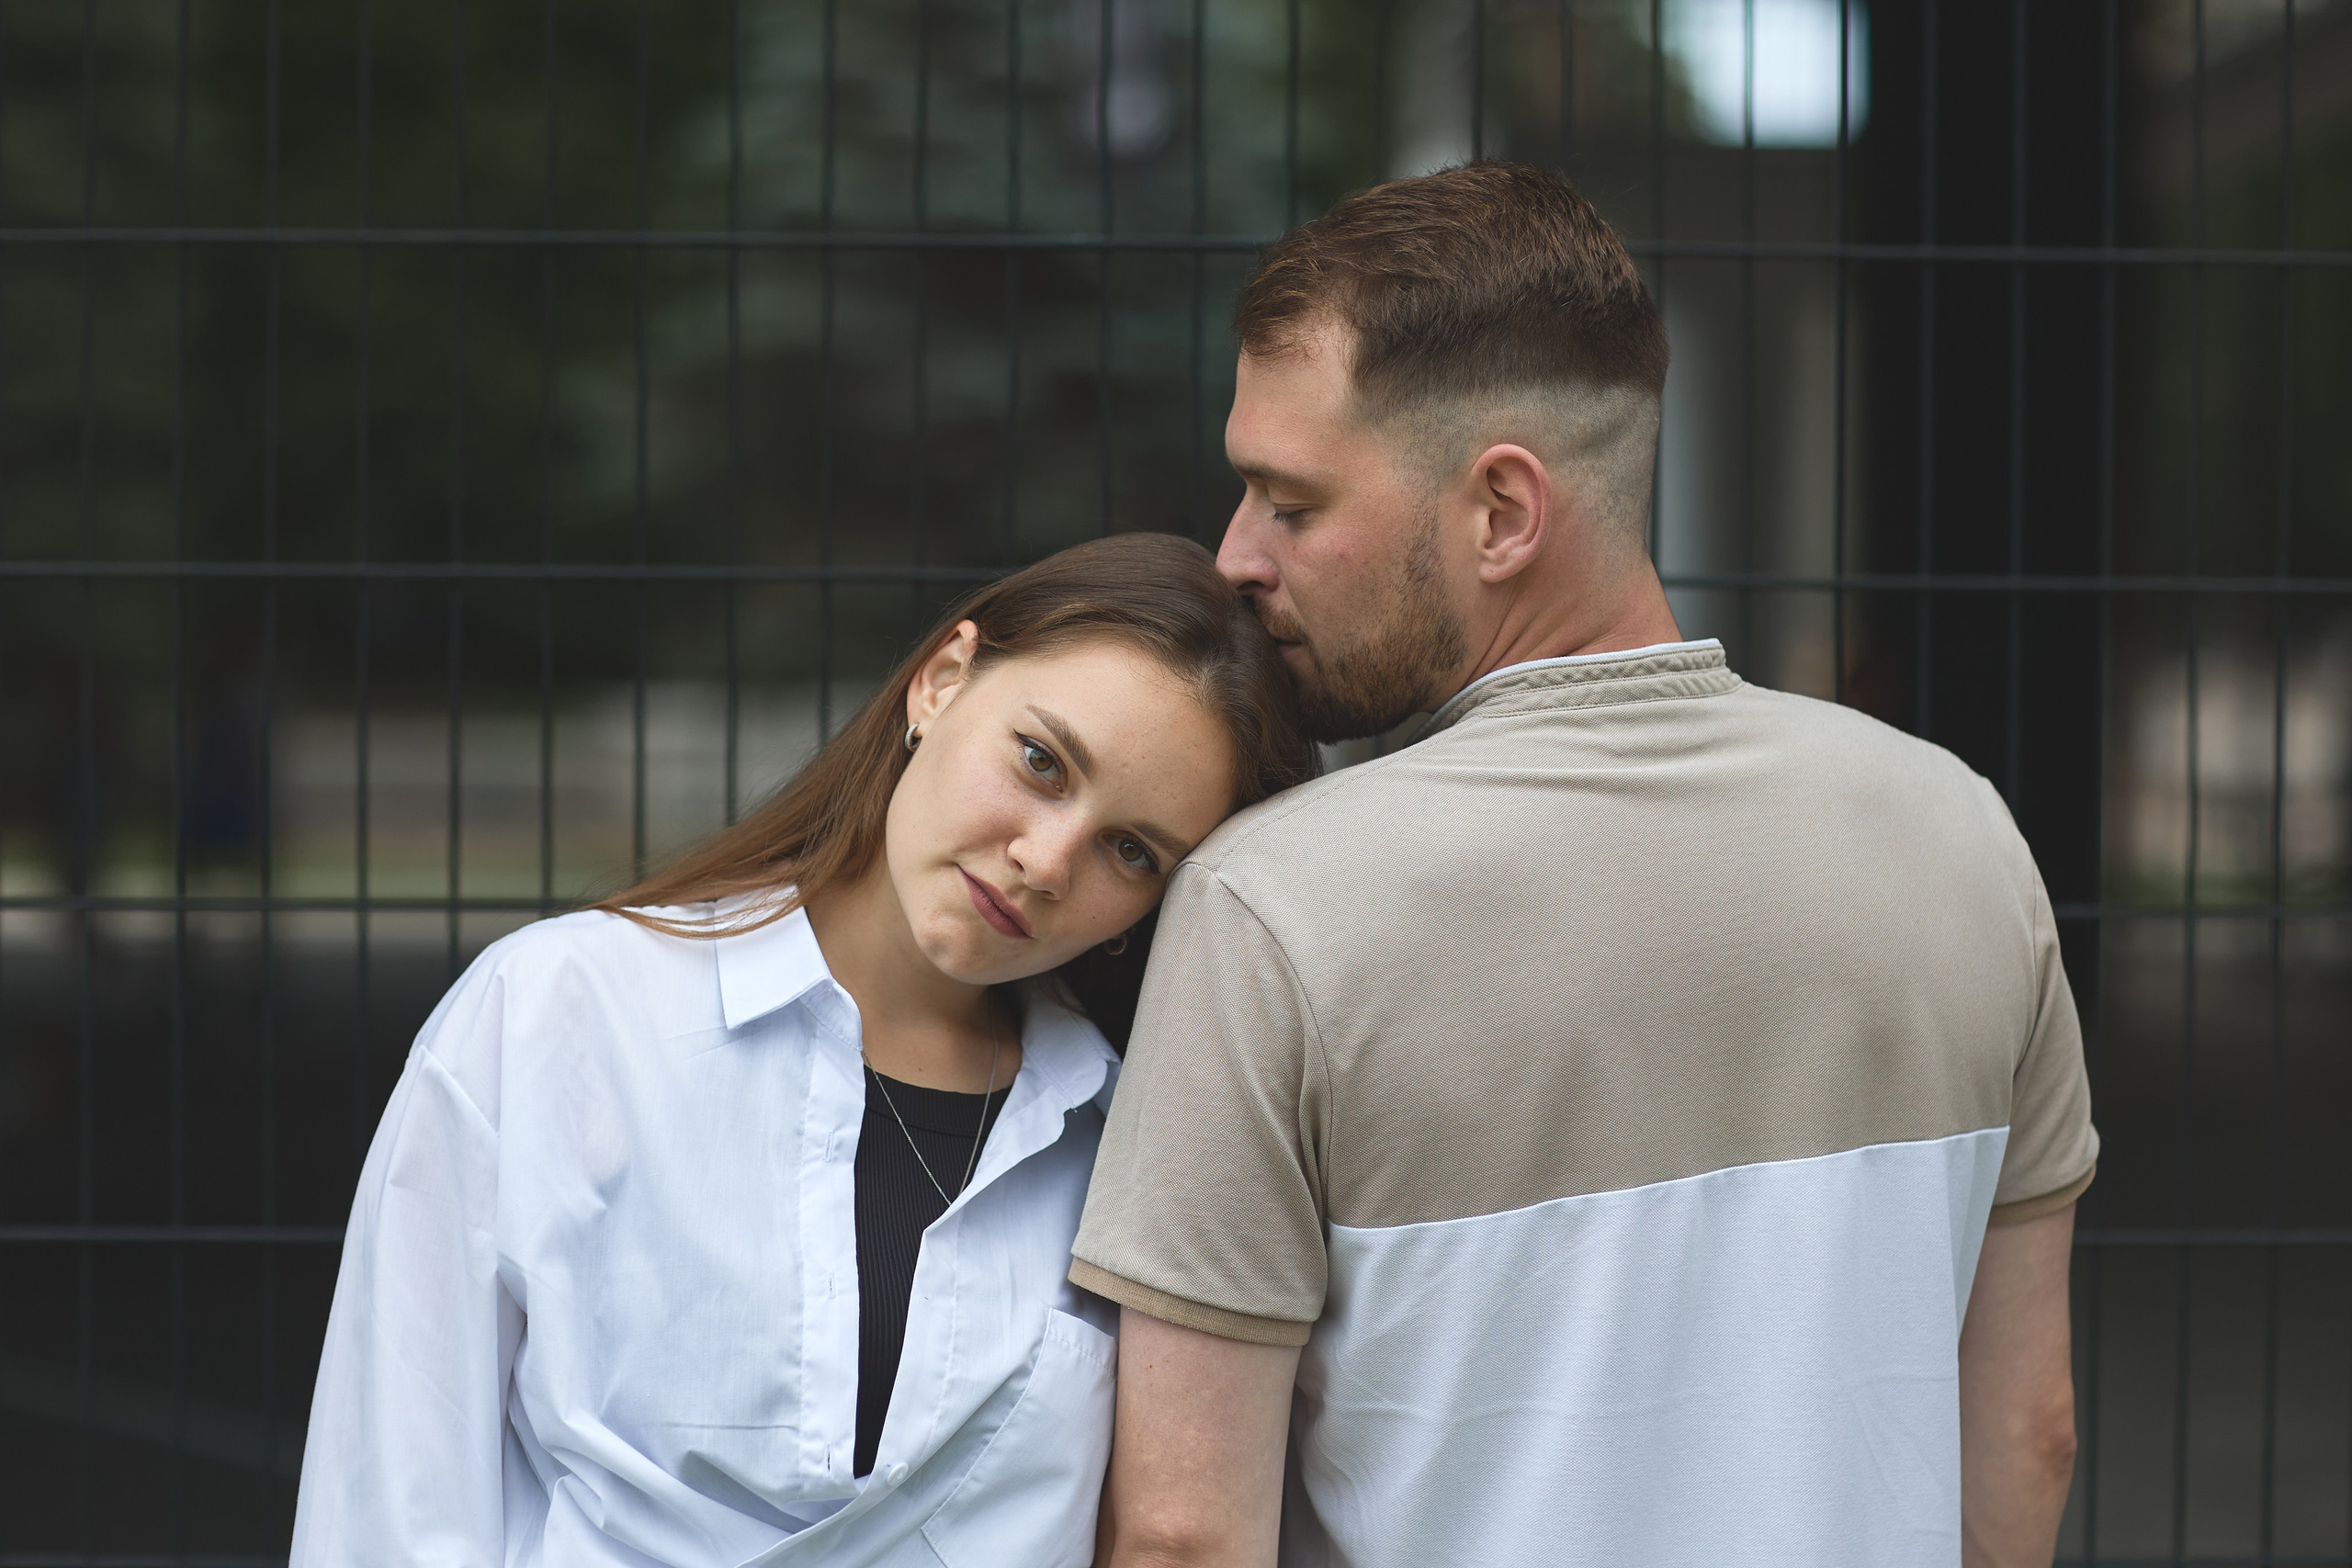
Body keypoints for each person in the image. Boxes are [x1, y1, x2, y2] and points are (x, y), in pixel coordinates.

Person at [1073, 163, 2098, 1568]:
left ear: (1502, 511)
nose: (1234, 554)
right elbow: (2031, 1430)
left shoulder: (1273, 910)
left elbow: (1186, 1531)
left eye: (1288, 500)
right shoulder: (1965, 837)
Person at [289, 534, 1317, 1568]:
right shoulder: (560, 1014)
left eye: (1130, 850)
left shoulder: (1131, 1138)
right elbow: (391, 1506)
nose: (1046, 861)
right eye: (1040, 760)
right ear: (941, 682)